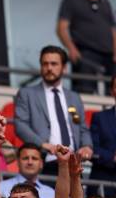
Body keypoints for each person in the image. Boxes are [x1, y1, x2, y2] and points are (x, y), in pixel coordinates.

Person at [14, 45, 93, 174]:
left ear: (64, 68)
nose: (49, 68)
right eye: (45, 64)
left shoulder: (74, 98)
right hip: (46, 161)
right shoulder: (27, 94)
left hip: (73, 163)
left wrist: (87, 146)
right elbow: (20, 125)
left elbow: (81, 126)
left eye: (54, 64)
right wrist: (43, 145)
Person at [57, 0, 116, 94]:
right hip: (85, 55)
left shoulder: (105, 2)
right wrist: (71, 49)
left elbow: (113, 30)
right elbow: (61, 28)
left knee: (114, 94)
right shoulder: (71, 0)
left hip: (109, 57)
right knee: (85, 93)